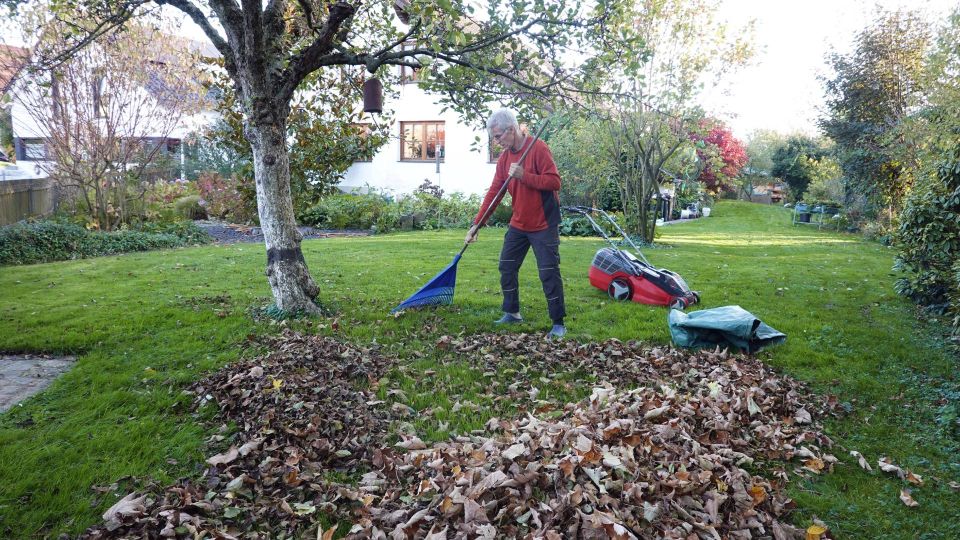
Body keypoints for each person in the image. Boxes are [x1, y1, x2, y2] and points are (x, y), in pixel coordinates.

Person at [465, 109, 566, 339]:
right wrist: (476, 224)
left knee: (548, 273)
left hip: (543, 224)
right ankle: (512, 312)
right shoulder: (504, 159)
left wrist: (524, 175)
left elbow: (554, 182)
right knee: (507, 266)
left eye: (498, 136)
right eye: (494, 137)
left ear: (511, 130)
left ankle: (558, 323)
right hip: (519, 223)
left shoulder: (538, 148)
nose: (496, 141)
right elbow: (494, 193)